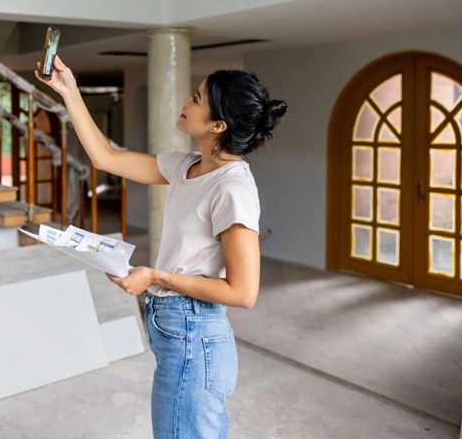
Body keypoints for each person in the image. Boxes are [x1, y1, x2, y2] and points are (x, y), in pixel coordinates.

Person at [35, 55, 287, 438]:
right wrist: (69, 91)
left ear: (218, 125)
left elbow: (243, 292)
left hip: (195, 334)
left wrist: (156, 277)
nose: (186, 101)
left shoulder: (232, 188)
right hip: (178, 331)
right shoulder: (187, 166)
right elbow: (106, 157)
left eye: (196, 99)